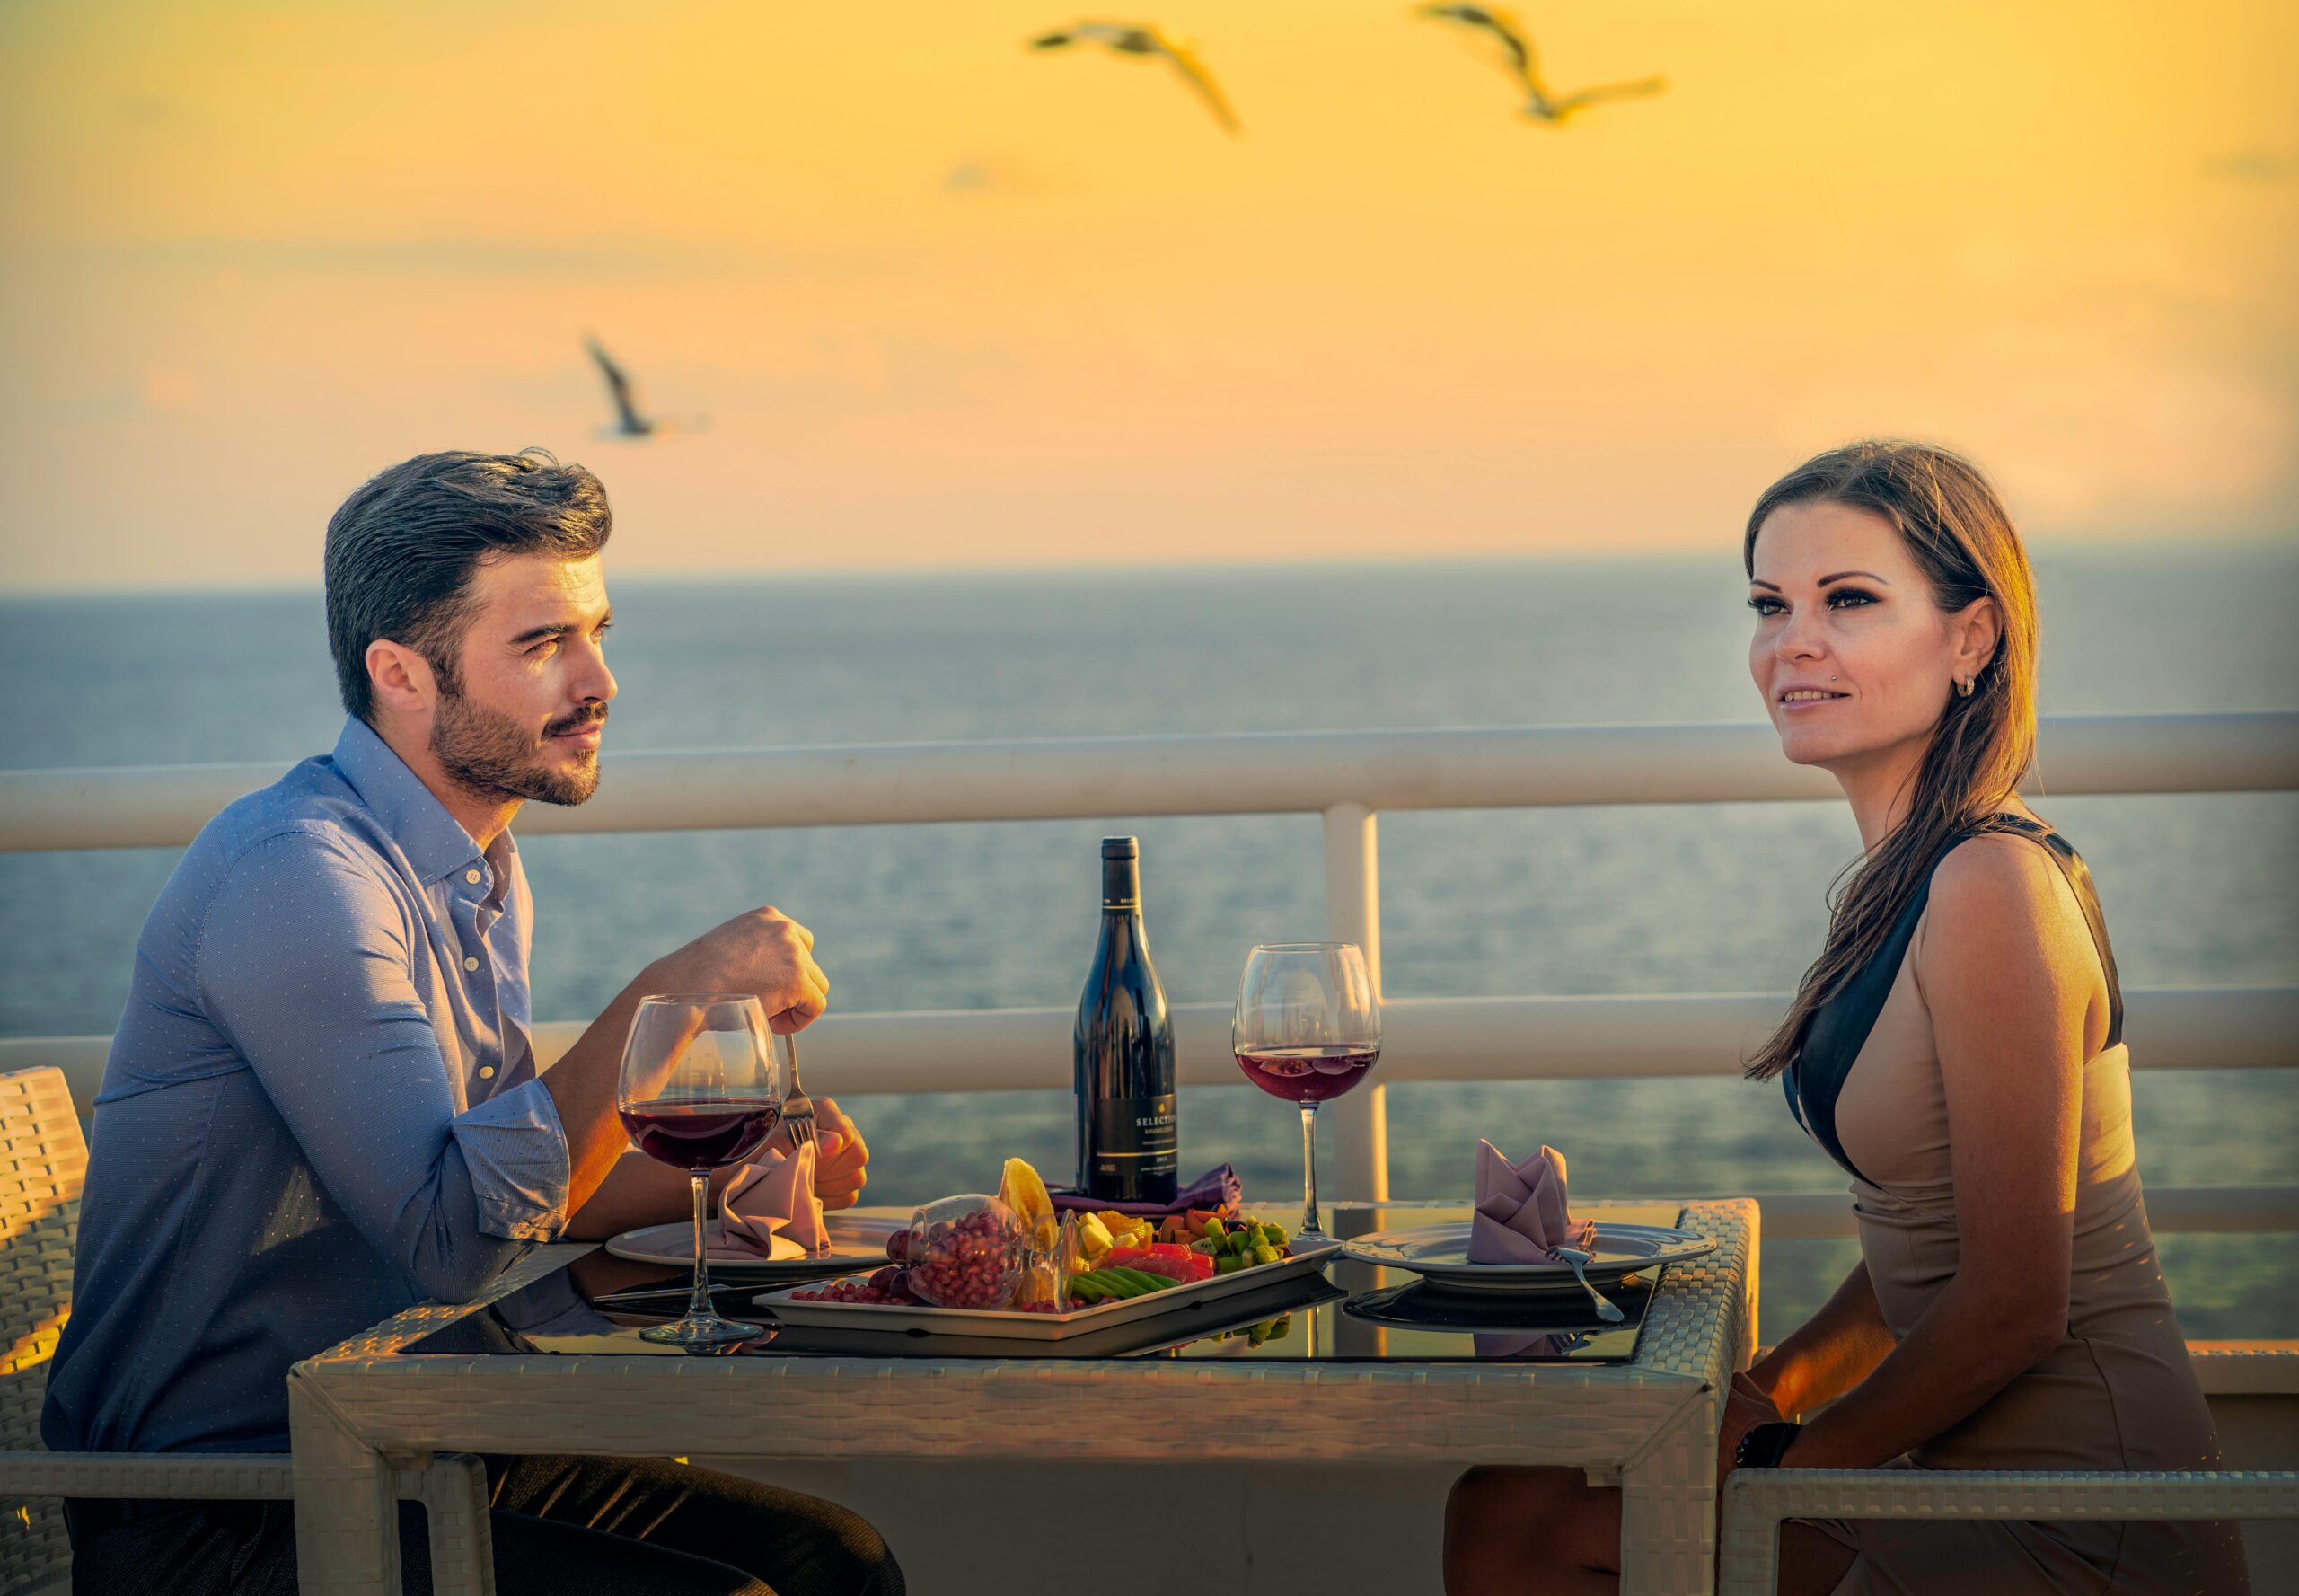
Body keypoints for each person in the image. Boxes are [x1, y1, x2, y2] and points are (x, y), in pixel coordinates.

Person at [43, 449, 903, 1596]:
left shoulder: (473, 867)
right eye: (543, 644)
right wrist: (674, 990)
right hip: (227, 1505)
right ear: (400, 671)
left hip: (410, 1433)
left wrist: (731, 1164)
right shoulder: (300, 875)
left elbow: (503, 1176)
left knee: (833, 1562)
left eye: (597, 632)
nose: (599, 681)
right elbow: (456, 1239)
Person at [1442, 441, 2245, 1595]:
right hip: (1951, 1470)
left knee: (1517, 1529)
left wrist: (1783, 1463)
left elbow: (2018, 1303)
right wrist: (1768, 1392)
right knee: (1511, 1503)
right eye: (1771, 604)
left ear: (1971, 638)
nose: (1792, 643)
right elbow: (1925, 1244)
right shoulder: (1912, 874)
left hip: (2079, 1516)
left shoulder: (1990, 888)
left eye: (1849, 600)